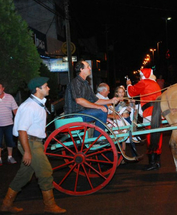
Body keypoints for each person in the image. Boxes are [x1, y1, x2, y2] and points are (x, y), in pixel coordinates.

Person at [1, 77, 66, 214]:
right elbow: (21, 130)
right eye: (46, 86)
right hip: (30, 143)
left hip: (33, 142)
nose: (48, 88)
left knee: (23, 176)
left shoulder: (37, 104)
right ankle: (49, 205)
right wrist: (27, 151)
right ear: (38, 89)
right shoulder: (29, 106)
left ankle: (6, 204)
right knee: (46, 172)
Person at [64, 60, 120, 137]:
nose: (90, 68)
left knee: (104, 108)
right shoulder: (75, 82)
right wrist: (98, 107)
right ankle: (97, 138)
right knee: (101, 111)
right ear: (81, 69)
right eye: (88, 67)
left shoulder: (86, 83)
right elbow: (79, 100)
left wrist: (111, 100)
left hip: (82, 113)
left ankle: (98, 136)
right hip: (74, 115)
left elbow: (95, 100)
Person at [126, 68, 162, 170]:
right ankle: (157, 161)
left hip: (149, 113)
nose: (140, 77)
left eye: (141, 75)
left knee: (151, 138)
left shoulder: (144, 82)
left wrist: (128, 84)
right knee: (158, 137)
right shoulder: (155, 84)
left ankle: (152, 163)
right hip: (158, 113)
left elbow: (131, 93)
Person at [0, 82, 18, 166]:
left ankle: (10, 157)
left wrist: (19, 121)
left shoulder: (10, 97)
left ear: (3, 88)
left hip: (9, 124)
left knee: (10, 141)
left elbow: (15, 109)